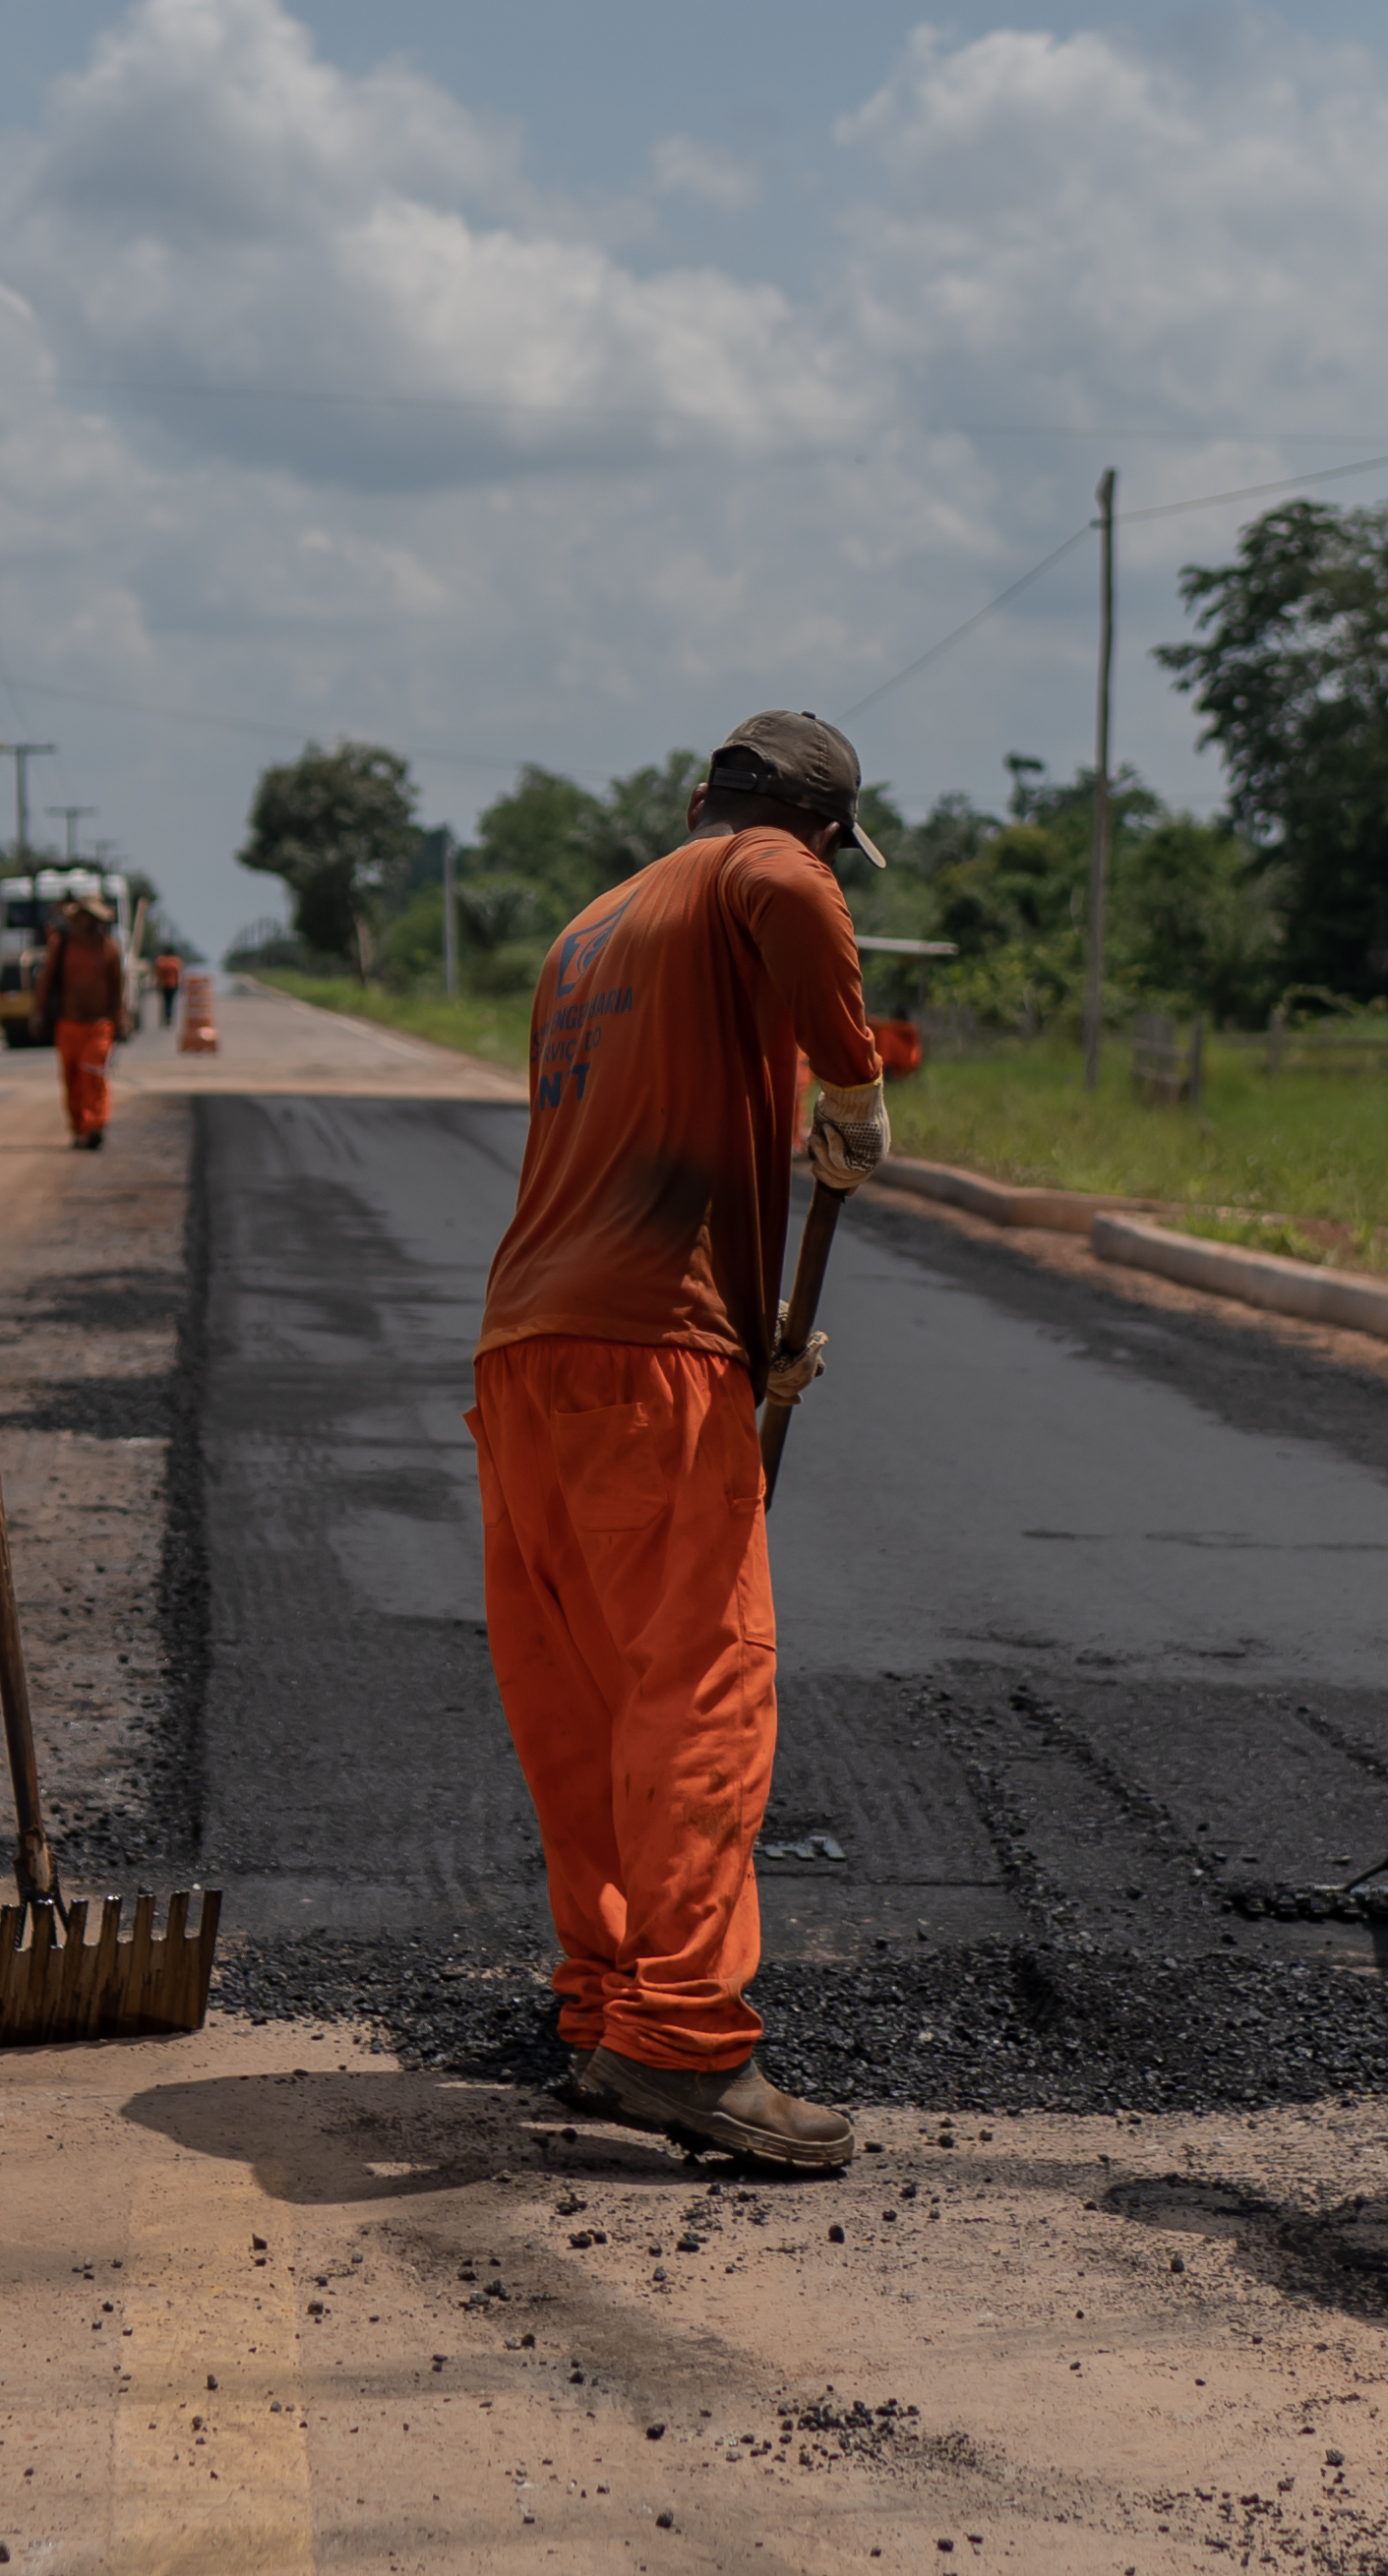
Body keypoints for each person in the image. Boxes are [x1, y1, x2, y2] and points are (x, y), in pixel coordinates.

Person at [470, 709, 896, 2175]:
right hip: (651, 1356)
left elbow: (647, 1142)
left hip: (531, 1347)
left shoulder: (593, 924)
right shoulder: (767, 873)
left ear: (690, 795)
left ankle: (604, 2003)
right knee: (702, 1692)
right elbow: (786, 888)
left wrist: (759, 1316)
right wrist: (852, 1076)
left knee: (582, 1706)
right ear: (822, 827)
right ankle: (685, 2041)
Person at [42, 885, 128, 1151]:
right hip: (68, 1023)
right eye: (85, 916)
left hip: (100, 1025)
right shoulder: (62, 946)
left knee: (93, 1073)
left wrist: (121, 1018)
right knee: (73, 1078)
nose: (89, 922)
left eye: (94, 917)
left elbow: (117, 988)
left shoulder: (110, 950)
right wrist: (37, 1013)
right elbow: (46, 981)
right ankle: (80, 1128)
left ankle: (95, 1125)